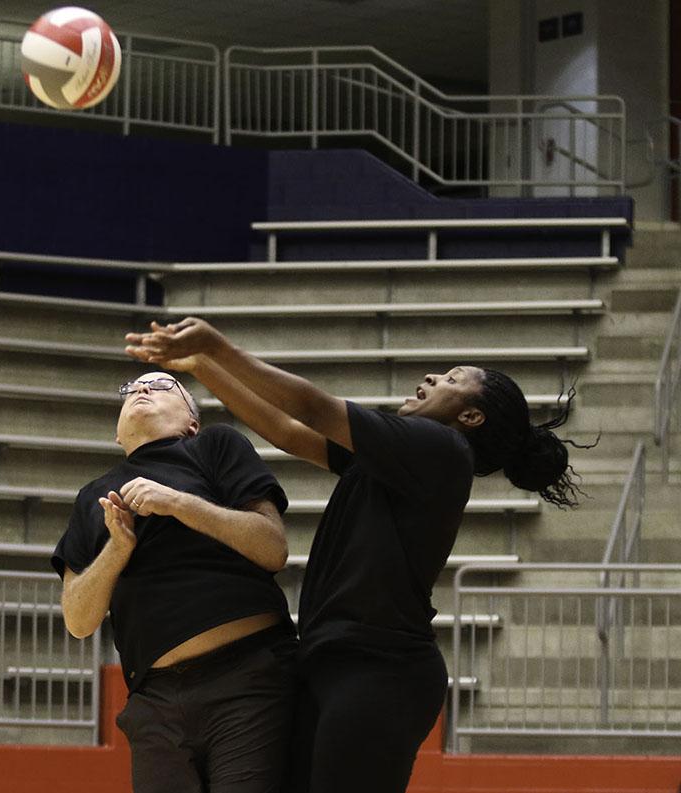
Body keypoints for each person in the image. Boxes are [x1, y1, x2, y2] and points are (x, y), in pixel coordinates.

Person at [124, 318, 589, 793]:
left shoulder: (442, 448)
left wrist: (217, 347)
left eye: (451, 379)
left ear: (470, 418)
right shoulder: (399, 458)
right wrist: (203, 365)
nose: (431, 378)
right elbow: (286, 431)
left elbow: (311, 407)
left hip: (380, 670)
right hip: (333, 662)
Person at [51, 371, 298, 793]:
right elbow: (77, 620)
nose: (143, 389)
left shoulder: (214, 446)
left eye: (163, 385)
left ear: (191, 423)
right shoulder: (92, 496)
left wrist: (178, 503)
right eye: (131, 388)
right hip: (155, 702)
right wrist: (117, 550)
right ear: (117, 435)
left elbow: (273, 548)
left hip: (248, 679)